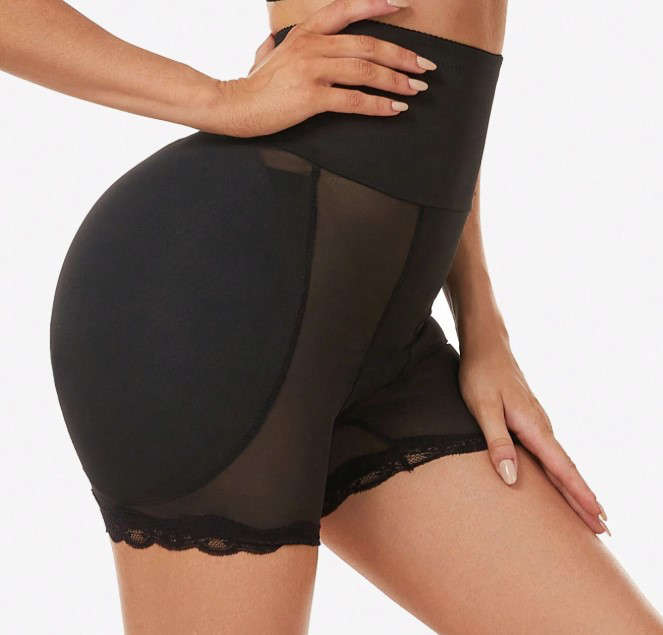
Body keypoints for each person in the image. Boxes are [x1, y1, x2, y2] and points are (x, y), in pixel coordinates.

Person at [2, 0, 662, 633]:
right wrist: (221, 98)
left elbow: (437, 95)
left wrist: (483, 325)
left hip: (387, 338)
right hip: (224, 300)